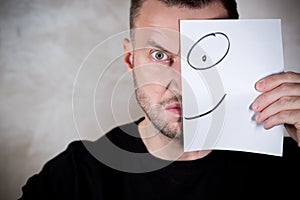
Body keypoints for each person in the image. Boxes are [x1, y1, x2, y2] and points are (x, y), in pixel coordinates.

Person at [19, 0, 300, 199]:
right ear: (131, 60)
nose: (181, 82)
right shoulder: (75, 178)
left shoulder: (289, 158)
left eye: (203, 56)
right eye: (159, 55)